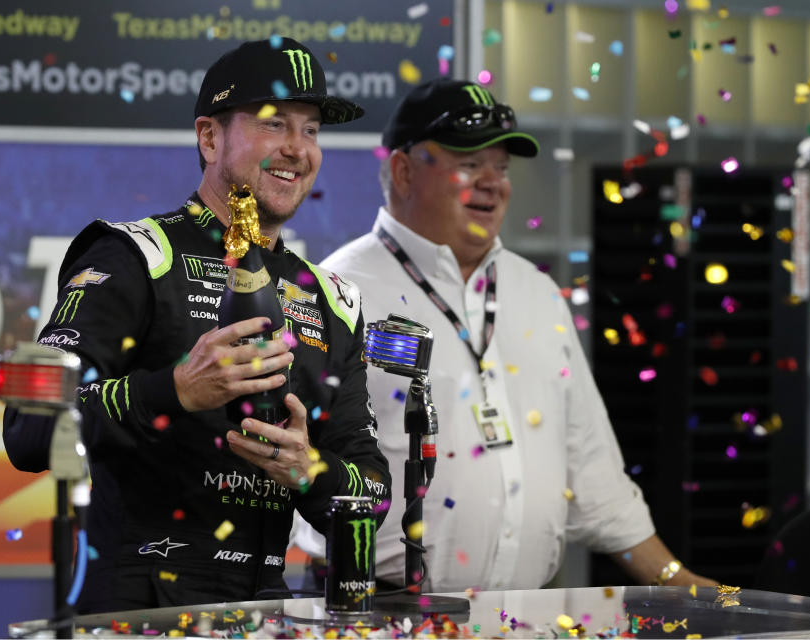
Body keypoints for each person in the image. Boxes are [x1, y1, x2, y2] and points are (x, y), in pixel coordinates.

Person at [3, 38, 391, 614]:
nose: (296, 149)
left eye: (310, 130)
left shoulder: (331, 300)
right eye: (274, 123)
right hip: (137, 609)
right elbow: (29, 430)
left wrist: (311, 471)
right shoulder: (133, 256)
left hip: (268, 610)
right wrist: (175, 391)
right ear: (210, 137)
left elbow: (374, 492)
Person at [294, 79, 716, 592]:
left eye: (503, 167)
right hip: (373, 615)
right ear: (404, 171)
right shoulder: (338, 292)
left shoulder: (536, 292)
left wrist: (684, 585)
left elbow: (591, 472)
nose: (494, 183)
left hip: (523, 616)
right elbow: (296, 468)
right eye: (470, 164)